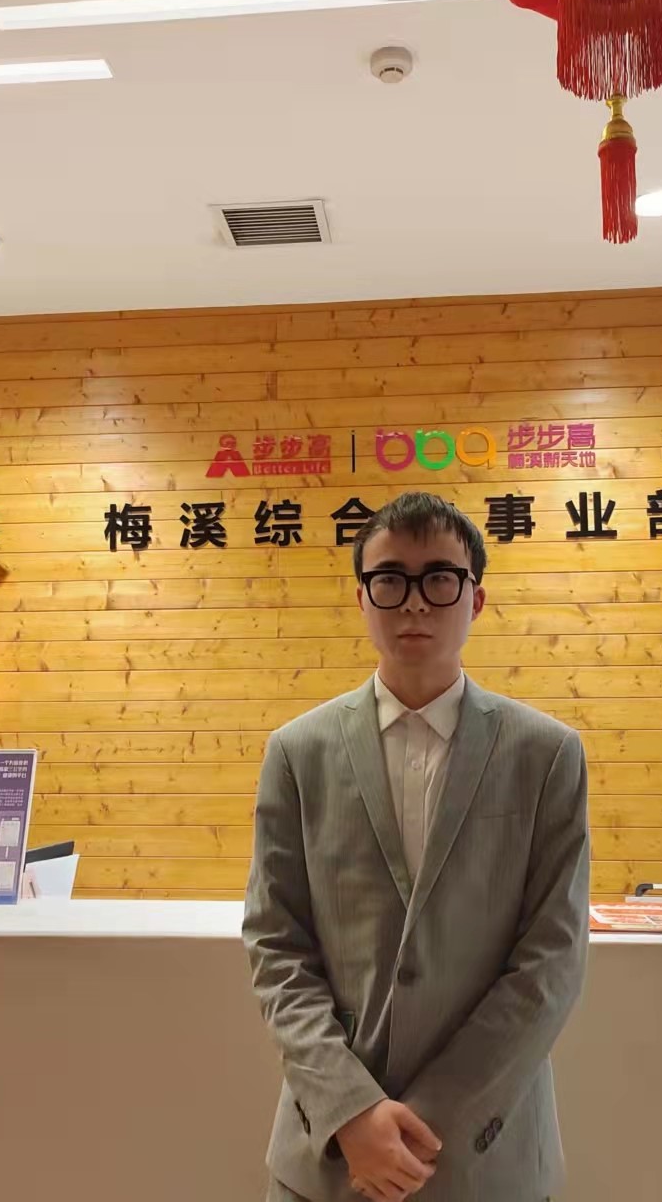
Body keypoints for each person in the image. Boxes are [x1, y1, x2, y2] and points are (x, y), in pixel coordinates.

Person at [243, 491, 591, 1202]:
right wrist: (352, 1112)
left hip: (488, 1156)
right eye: (389, 579)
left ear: (476, 598)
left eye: (439, 578)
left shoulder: (547, 754)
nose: (414, 602)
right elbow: (277, 946)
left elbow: (551, 960)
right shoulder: (297, 752)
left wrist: (425, 1122)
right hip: (328, 1157)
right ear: (362, 597)